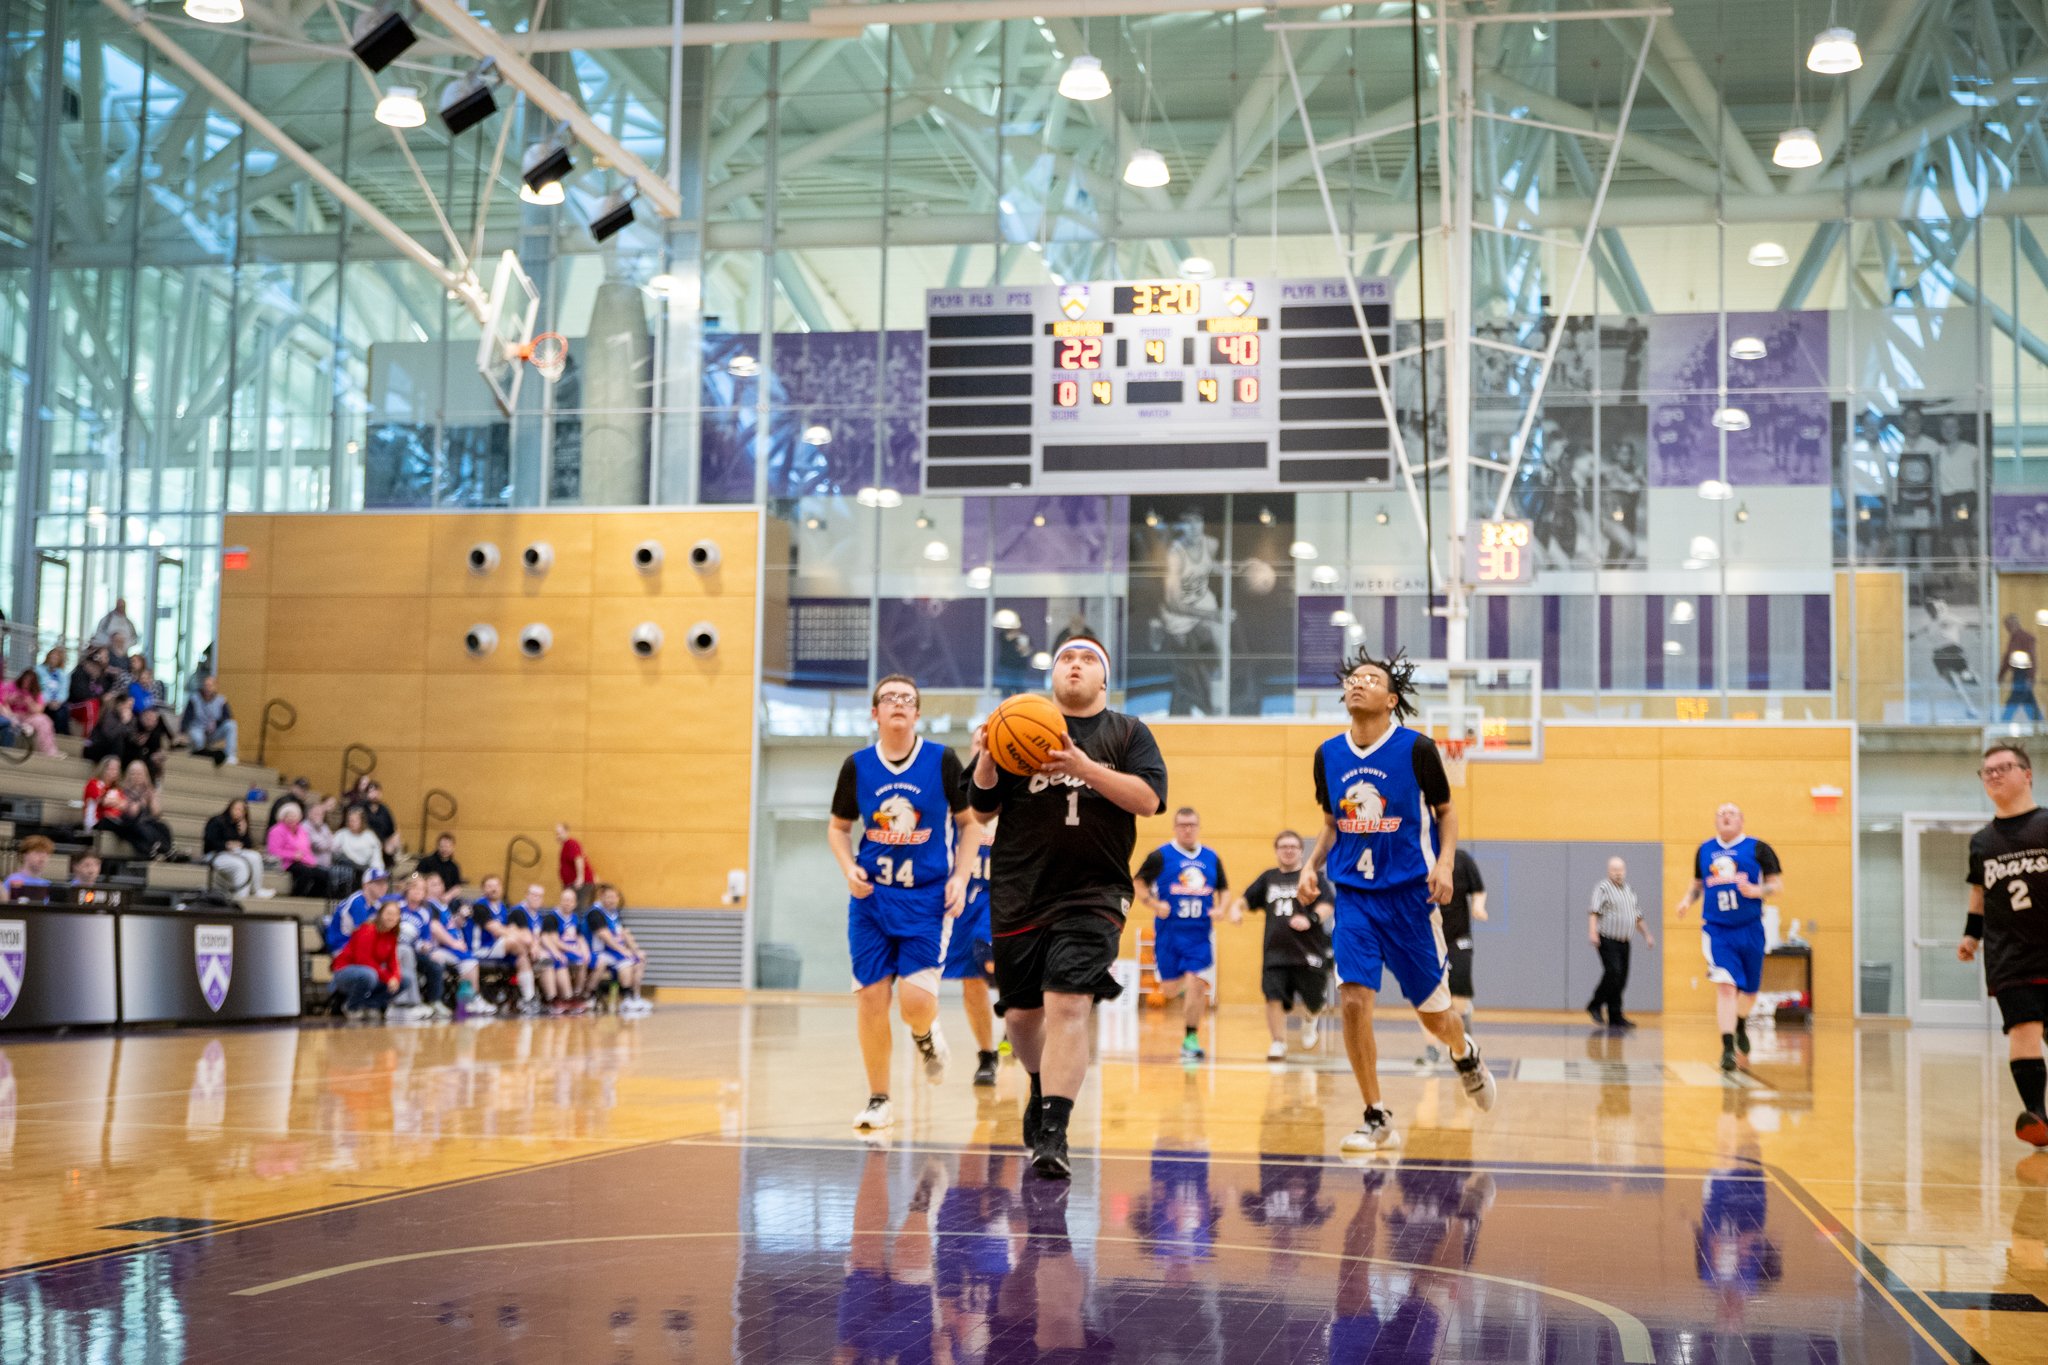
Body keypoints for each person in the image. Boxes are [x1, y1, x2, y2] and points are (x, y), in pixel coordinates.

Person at [970, 636, 1168, 1179]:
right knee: (1021, 1016)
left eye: (1086, 660)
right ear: (1052, 676)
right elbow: (981, 809)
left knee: (1069, 1002)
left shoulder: (1127, 733)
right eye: (1065, 659)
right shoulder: (1017, 722)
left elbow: (1148, 800)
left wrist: (1085, 766)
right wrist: (986, 757)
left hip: (1094, 892)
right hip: (1020, 891)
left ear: (1104, 678)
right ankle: (1040, 1085)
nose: (1074, 666)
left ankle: (1055, 1131)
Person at [1297, 647, 1497, 1156]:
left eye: (1371, 679)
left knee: (1435, 1017)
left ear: (1391, 699)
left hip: (1410, 900)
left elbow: (1446, 812)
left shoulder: (1417, 749)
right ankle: (1376, 1115)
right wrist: (1310, 865)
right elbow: (1331, 823)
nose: (1358, 683)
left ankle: (1464, 1051)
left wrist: (1445, 864)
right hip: (1356, 899)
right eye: (1353, 678)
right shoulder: (1327, 755)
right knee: (1353, 1001)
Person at [828, 673, 978, 1131]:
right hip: (872, 899)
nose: (898, 704)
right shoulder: (857, 766)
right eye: (889, 698)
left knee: (914, 1003)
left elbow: (969, 824)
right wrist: (848, 867)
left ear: (917, 713)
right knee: (871, 997)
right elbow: (838, 828)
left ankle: (925, 1032)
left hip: (927, 899)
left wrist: (961, 877)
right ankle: (879, 1099)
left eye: (907, 699)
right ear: (875, 713)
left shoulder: (942, 760)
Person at [1960, 741, 2048, 1148]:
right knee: (2023, 1030)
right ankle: (2037, 1116)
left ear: (2026, 775)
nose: (1992, 775)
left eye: (2002, 768)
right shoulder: (1982, 842)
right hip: (2009, 957)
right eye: (1987, 771)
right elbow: (1979, 893)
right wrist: (1970, 935)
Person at [1675, 802, 1784, 1073]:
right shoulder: (1704, 850)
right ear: (1716, 821)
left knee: (1750, 992)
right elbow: (1698, 885)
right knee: (1725, 986)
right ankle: (1726, 1047)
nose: (1725, 816)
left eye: (1731, 813)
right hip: (1718, 930)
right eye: (1721, 813)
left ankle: (1740, 1024)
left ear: (1741, 820)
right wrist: (1687, 900)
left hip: (1750, 928)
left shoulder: (1759, 848)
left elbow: (1776, 886)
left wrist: (1756, 890)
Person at [1231, 829, 1335, 1061]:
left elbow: (1328, 904)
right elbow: (1246, 898)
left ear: (1301, 851)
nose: (1288, 851)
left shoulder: (1312, 877)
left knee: (1315, 1000)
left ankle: (1310, 1019)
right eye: (1283, 847)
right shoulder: (1269, 878)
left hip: (1308, 952)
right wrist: (1236, 910)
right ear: (1277, 851)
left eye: (1293, 847)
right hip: (1275, 952)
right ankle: (1278, 1042)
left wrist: (1311, 919)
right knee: (1273, 996)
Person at [1136, 806, 1229, 1061]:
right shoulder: (1161, 856)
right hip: (1169, 933)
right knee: (1169, 989)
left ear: (1198, 827)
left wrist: (1221, 909)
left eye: (1192, 825)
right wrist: (1154, 904)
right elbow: (1138, 883)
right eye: (1183, 825)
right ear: (1175, 828)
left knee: (1196, 981)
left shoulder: (1211, 857)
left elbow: (1224, 889)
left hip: (1199, 934)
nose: (1187, 829)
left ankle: (1190, 1039)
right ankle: (1184, 990)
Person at [941, 816, 1000, 1086]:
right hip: (965, 896)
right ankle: (987, 1055)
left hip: (1002, 894)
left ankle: (1018, 1015)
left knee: (989, 958)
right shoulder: (957, 809)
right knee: (972, 982)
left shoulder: (1018, 802)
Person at [1588, 856, 1654, 1028]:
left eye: (1620, 870)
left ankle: (1615, 1016)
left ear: (1625, 871)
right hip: (1607, 939)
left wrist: (1647, 935)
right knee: (1613, 972)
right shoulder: (1603, 888)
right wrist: (1592, 932)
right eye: (1614, 870)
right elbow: (1594, 911)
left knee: (1621, 979)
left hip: (1624, 941)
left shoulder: (1629, 890)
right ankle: (1595, 1004)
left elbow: (1637, 916)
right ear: (1608, 871)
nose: (1618, 873)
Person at [471, 874, 541, 1015]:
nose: (493, 889)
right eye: (489, 886)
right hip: (483, 949)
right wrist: (526, 943)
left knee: (522, 958)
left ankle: (528, 999)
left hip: (503, 948)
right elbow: (496, 930)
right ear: (483, 889)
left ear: (501, 888)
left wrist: (533, 944)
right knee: (514, 942)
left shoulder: (504, 907)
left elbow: (517, 930)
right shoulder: (479, 906)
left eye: (496, 885)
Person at [330, 899, 404, 1021]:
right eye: (388, 914)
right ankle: (351, 1006)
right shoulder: (368, 930)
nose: (391, 918)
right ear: (380, 915)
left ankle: (371, 1005)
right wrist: (387, 978)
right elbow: (364, 960)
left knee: (404, 979)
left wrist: (395, 977)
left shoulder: (391, 936)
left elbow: (393, 961)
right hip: (345, 971)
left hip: (370, 972)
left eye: (395, 915)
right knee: (369, 975)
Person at [586, 883, 652, 1016]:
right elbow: (605, 937)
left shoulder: (614, 913)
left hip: (614, 951)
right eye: (608, 897)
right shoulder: (595, 913)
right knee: (625, 963)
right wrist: (623, 951)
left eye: (614, 897)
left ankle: (635, 997)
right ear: (602, 897)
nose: (612, 900)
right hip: (599, 951)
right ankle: (624, 999)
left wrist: (636, 950)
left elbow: (624, 934)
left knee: (639, 961)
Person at [424, 892, 494, 1016]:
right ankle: (467, 1000)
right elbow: (435, 929)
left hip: (451, 947)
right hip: (437, 947)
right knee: (467, 960)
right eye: (433, 885)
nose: (437, 889)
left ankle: (468, 1001)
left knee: (470, 962)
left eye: (439, 885)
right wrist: (453, 943)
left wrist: (460, 916)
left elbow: (453, 926)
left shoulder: (445, 908)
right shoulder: (429, 906)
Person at [204, 797, 269, 898]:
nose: (238, 812)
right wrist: (226, 845)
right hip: (215, 854)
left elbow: (247, 846)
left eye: (242, 810)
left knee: (255, 856)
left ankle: (257, 889)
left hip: (233, 853)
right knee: (241, 865)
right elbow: (210, 841)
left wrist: (243, 833)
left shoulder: (240, 824)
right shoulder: (216, 821)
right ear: (230, 808)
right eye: (236, 809)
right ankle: (241, 896)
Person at [110, 759, 174, 859]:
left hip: (147, 821)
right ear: (128, 775)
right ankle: (155, 850)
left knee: (163, 827)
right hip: (131, 824)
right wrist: (140, 802)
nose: (136, 777)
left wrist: (153, 798)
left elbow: (156, 813)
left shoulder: (149, 791)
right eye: (133, 774)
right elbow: (131, 813)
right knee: (143, 829)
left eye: (140, 774)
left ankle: (168, 851)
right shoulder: (123, 791)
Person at [266, 801, 326, 898]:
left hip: (303, 861)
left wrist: (312, 862)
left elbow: (306, 849)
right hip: (285, 862)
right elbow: (273, 851)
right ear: (283, 817)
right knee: (305, 872)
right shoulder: (276, 830)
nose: (291, 818)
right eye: (288, 816)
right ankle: (296, 897)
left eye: (294, 816)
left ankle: (311, 897)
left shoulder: (302, 830)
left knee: (324, 874)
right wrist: (292, 855)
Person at [324, 868, 391, 955]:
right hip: (341, 945)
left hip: (356, 944)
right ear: (366, 885)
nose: (383, 886)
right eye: (378, 883)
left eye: (385, 882)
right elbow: (364, 933)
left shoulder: (377, 903)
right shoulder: (357, 902)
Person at [181, 676, 237, 765]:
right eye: (206, 685)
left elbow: (228, 717)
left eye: (210, 686)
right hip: (198, 729)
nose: (207, 688)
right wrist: (182, 731)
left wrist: (216, 723)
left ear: (215, 687)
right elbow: (187, 717)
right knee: (197, 737)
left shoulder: (221, 700)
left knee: (231, 725)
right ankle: (200, 756)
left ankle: (230, 756)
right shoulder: (194, 699)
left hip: (213, 732)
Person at [0, 670, 58, 756]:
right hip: (10, 715)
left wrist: (29, 702)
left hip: (27, 716)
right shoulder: (10, 686)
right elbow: (2, 703)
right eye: (25, 679)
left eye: (30, 681)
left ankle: (49, 751)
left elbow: (39, 710)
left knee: (45, 721)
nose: (26, 682)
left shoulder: (36, 692)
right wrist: (11, 700)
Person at [2001, 613, 2043, 723]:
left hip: (2023, 674)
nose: (2007, 628)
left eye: (2008, 625)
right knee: (2029, 701)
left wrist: (2030, 677)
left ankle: (2003, 723)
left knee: (2014, 701)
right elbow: (2008, 659)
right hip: (2019, 674)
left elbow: (2032, 658)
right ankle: (2039, 724)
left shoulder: (2025, 638)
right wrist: (2001, 675)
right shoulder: (2014, 638)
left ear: (2015, 624)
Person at [348, 781, 400, 862]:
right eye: (371, 792)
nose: (374, 795)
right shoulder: (360, 807)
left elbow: (392, 830)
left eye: (377, 792)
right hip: (362, 841)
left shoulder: (384, 810)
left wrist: (392, 841)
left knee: (395, 838)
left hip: (380, 844)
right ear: (366, 794)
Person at [332, 805, 382, 877]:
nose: (351, 823)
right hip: (347, 871)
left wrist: (377, 872)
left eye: (355, 821)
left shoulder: (370, 836)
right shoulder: (341, 834)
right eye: (350, 820)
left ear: (362, 821)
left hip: (365, 870)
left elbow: (376, 858)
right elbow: (333, 851)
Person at [556, 822, 597, 910]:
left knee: (578, 909)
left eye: (560, 833)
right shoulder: (565, 846)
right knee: (572, 909)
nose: (558, 836)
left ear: (566, 832)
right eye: (557, 834)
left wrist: (580, 878)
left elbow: (578, 859)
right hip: (572, 884)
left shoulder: (571, 843)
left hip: (580, 884)